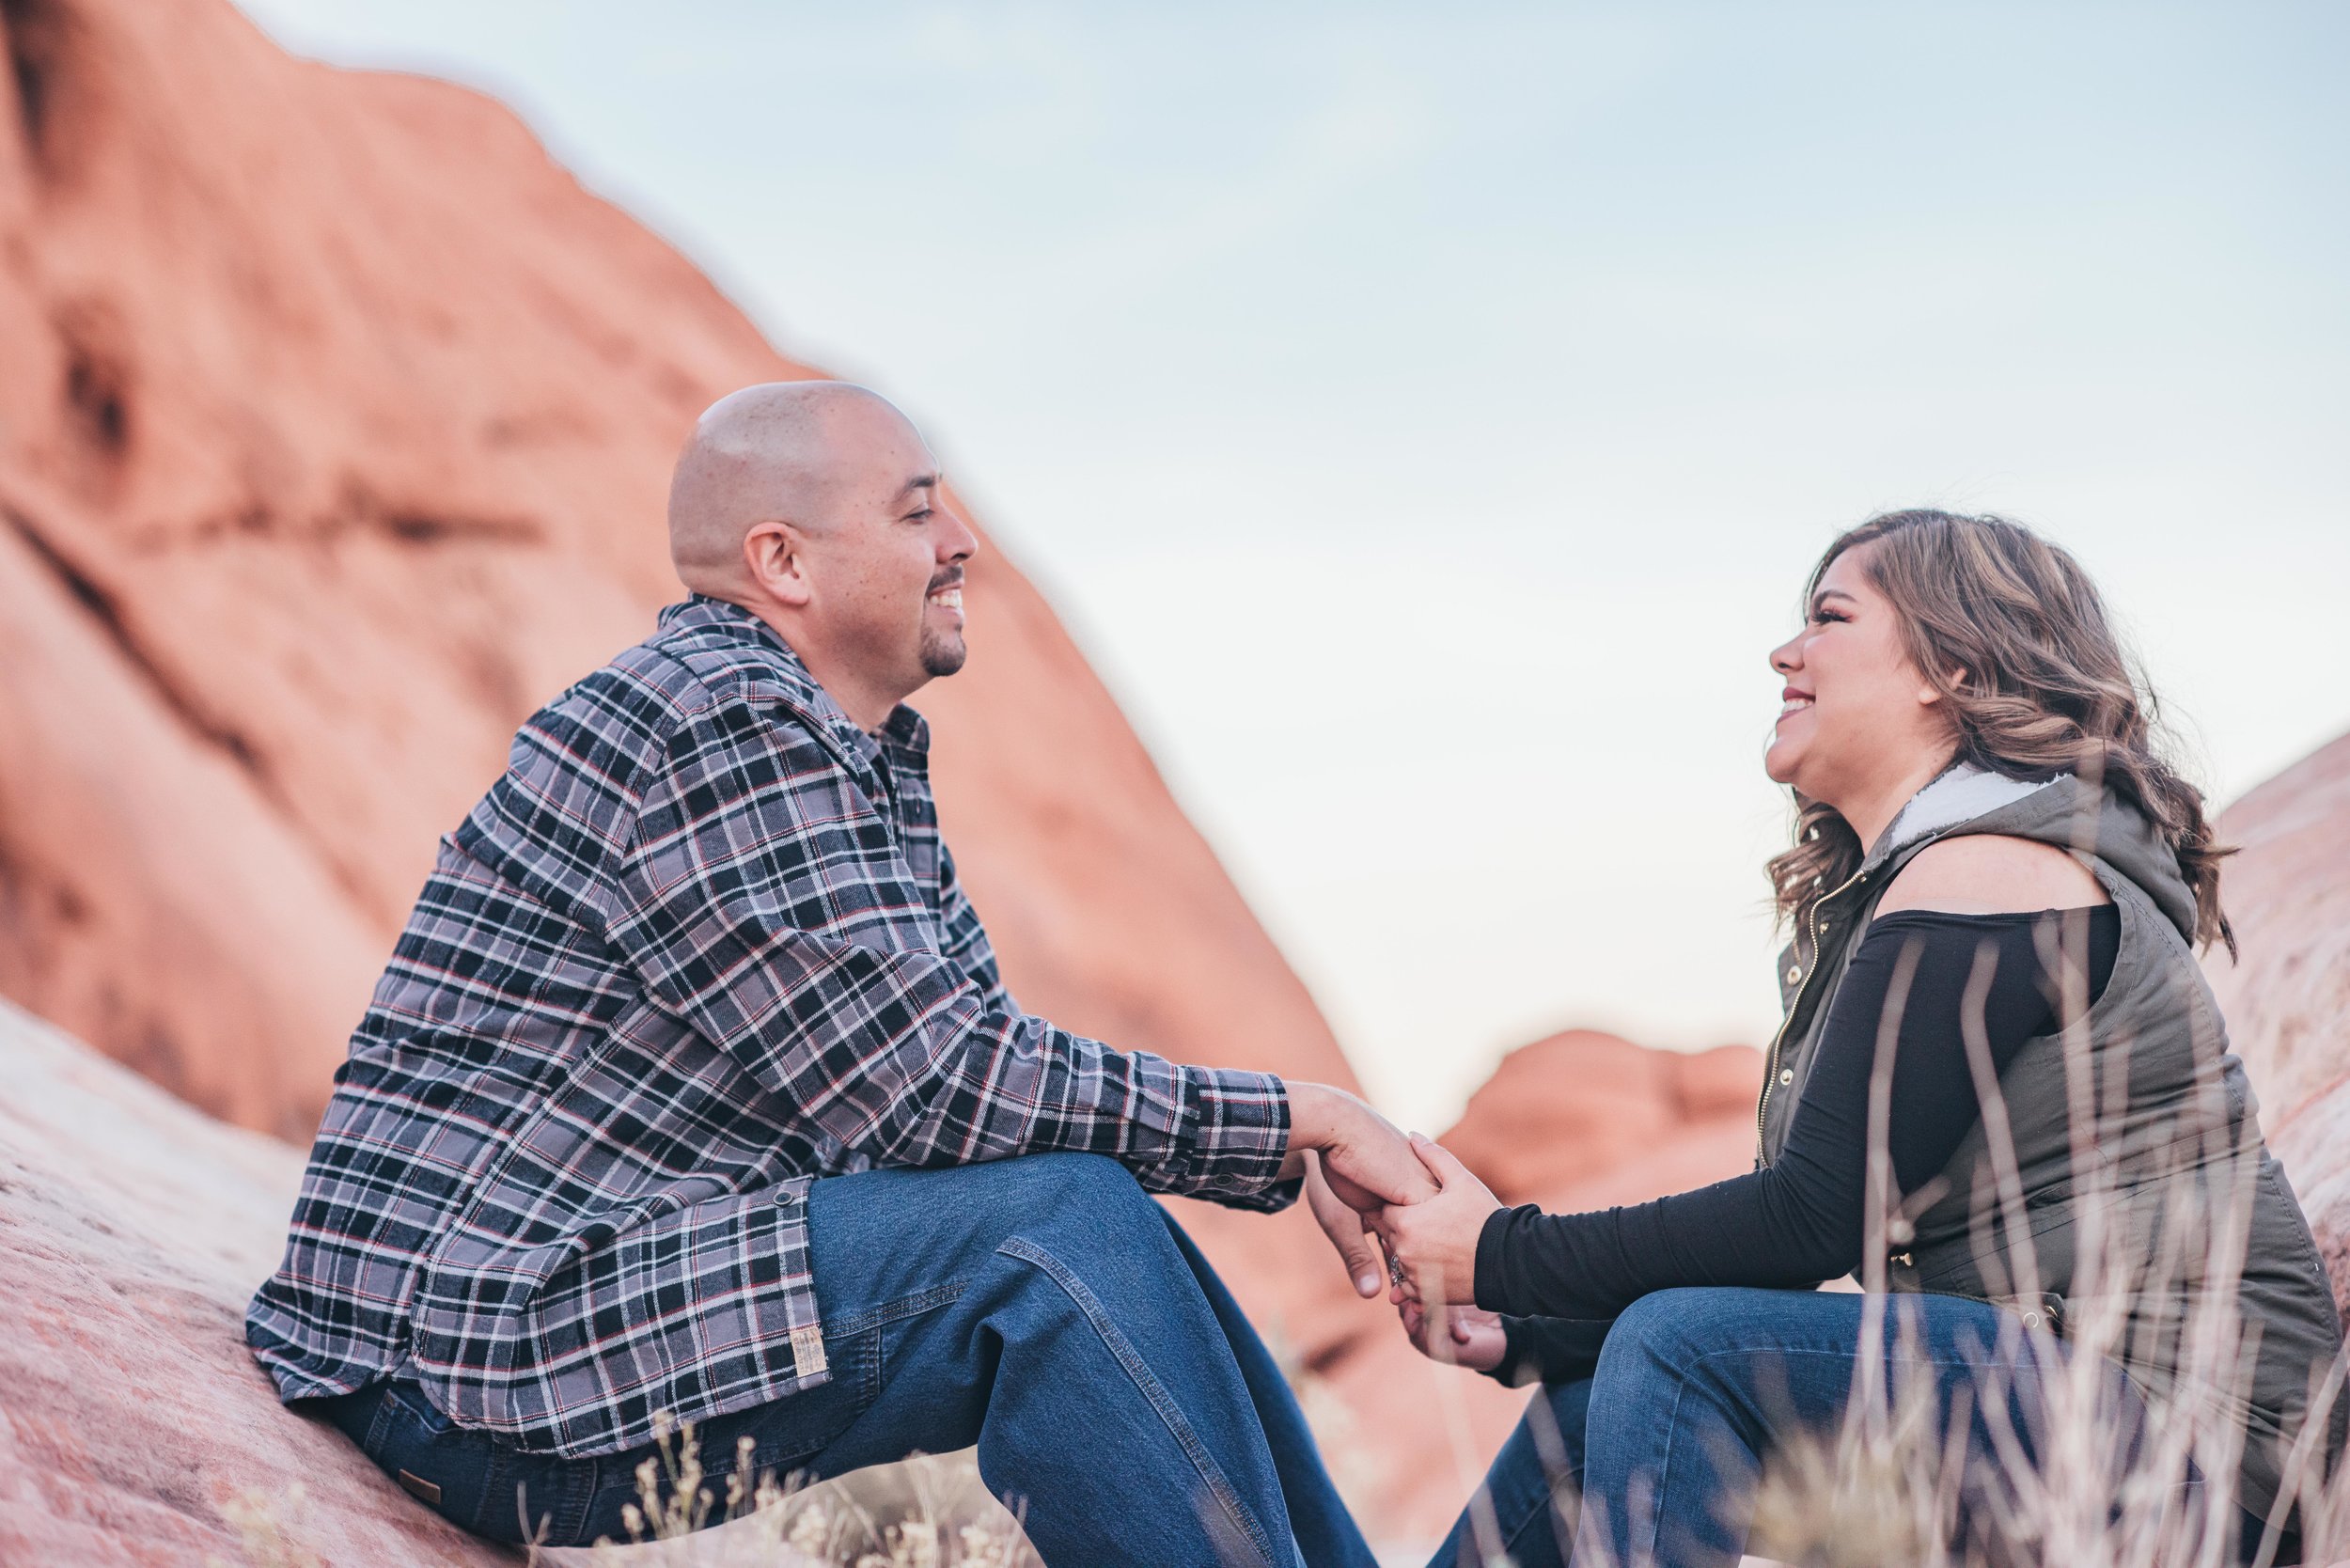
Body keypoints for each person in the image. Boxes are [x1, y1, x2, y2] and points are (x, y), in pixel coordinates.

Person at [246, 381, 1425, 1567]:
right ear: (784, 563)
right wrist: (1294, 1121)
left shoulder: (841, 756)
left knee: (1095, 1220)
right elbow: (938, 1092)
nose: (963, 544)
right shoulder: (718, 719)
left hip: (530, 1321)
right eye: (918, 514)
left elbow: (982, 1095)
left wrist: (1288, 1141)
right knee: (1057, 1239)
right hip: (463, 1354)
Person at [1375, 510, 2346, 1568]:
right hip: (2068, 1404)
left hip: (2197, 1457)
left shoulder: (2002, 867)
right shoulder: (1946, 876)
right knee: (1593, 1395)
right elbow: (1806, 1263)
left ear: (1954, 664)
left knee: (1679, 1354)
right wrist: (1534, 1332)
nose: (1783, 653)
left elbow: (1806, 1222)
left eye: (1828, 618)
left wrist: (1499, 1257)